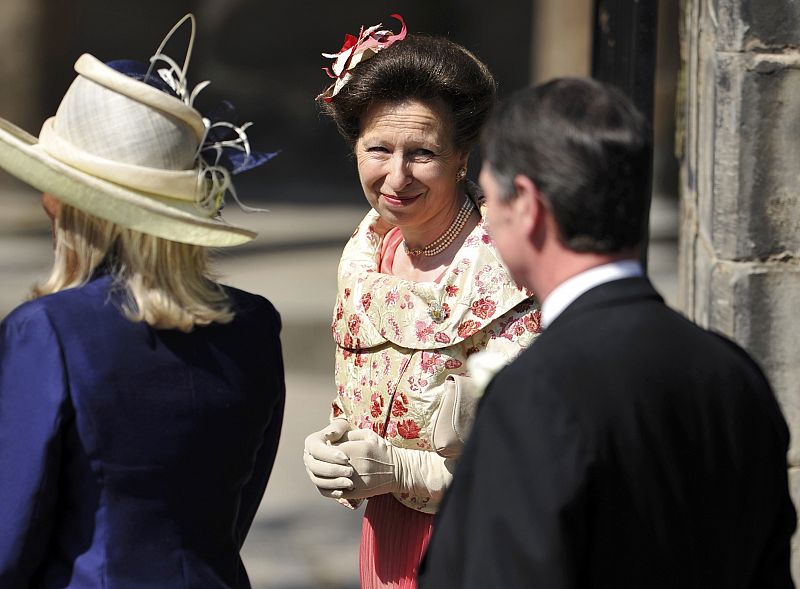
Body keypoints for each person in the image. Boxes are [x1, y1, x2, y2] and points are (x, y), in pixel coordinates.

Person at [417, 76, 796, 588]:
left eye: (488, 198)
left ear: (526, 205)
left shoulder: (535, 393)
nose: (486, 220)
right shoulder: (733, 373)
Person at [0, 15, 285, 588]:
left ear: (70, 207)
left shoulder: (49, 331)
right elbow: (235, 512)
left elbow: (11, 538)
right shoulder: (254, 325)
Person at [301, 15, 541, 589]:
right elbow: (362, 401)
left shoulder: (508, 269)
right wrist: (332, 448)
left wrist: (404, 469)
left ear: (462, 155)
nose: (396, 175)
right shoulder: (368, 249)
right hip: (385, 540)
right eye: (378, 148)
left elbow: (533, 458)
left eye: (423, 154)